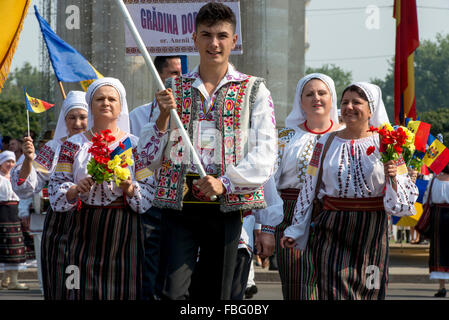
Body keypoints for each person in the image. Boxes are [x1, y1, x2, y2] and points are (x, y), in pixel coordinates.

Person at [138, 2, 277, 300]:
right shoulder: (172, 89)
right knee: (170, 292)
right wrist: (162, 118)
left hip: (226, 203)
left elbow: (265, 154)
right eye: (207, 35)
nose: (214, 43)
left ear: (233, 41)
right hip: (179, 204)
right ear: (194, 39)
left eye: (222, 35)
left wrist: (225, 182)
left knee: (219, 294)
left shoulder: (254, 90)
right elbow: (146, 159)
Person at [281, 82, 419, 300]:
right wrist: (296, 230)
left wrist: (393, 175)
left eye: (357, 102)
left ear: (371, 108)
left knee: (370, 291)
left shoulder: (388, 143)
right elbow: (309, 187)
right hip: (332, 229)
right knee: (334, 292)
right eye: (345, 102)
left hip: (371, 233)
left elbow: (402, 203)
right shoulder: (325, 142)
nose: (349, 107)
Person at [48, 77, 156, 300]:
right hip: (80, 227)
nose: (106, 103)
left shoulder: (136, 146)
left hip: (122, 229)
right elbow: (57, 185)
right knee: (77, 288)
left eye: (111, 99)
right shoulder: (72, 144)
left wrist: (130, 188)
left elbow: (147, 192)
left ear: (120, 105)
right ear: (91, 104)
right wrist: (75, 189)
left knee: (121, 288)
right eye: (100, 99)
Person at [255, 73, 340, 300]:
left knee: (334, 288)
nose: (316, 98)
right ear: (300, 101)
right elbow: (270, 184)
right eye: (309, 94)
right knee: (298, 289)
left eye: (322, 93)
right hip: (290, 214)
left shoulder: (345, 137)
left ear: (332, 98)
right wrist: (267, 229)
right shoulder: (285, 137)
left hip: (333, 216)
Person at [11, 91, 89, 299]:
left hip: (97, 222)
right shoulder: (54, 148)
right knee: (65, 281)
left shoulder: (104, 144)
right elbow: (27, 185)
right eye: (72, 117)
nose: (78, 123)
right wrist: (28, 160)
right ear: (65, 120)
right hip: (63, 226)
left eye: (83, 117)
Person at [129, 55, 181, 300]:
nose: (180, 79)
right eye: (174, 73)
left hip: (185, 201)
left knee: (178, 273)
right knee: (149, 269)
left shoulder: (199, 114)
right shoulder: (138, 116)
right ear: (159, 75)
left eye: (183, 73)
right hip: (151, 202)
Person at [0, 151, 29, 290]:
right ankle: (5, 280)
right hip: (2, 214)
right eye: (7, 161)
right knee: (3, 248)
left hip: (14, 213)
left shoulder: (16, 177)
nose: (10, 164)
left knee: (14, 248)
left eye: (12, 161)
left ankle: (12, 280)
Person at [423, 163, 449, 297]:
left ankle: (442, 287)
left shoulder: (434, 180)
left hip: (437, 217)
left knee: (439, 251)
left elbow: (426, 200)